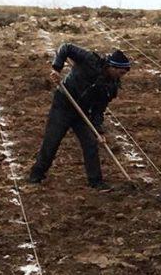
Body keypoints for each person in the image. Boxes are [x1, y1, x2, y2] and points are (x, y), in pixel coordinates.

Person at [27, 44, 131, 190]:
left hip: (81, 111)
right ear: (112, 67)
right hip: (63, 103)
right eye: (121, 73)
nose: (121, 77)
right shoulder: (90, 60)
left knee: (91, 142)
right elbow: (66, 48)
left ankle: (95, 181)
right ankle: (36, 175)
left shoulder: (111, 87)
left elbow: (98, 110)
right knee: (52, 140)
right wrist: (56, 69)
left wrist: (98, 131)